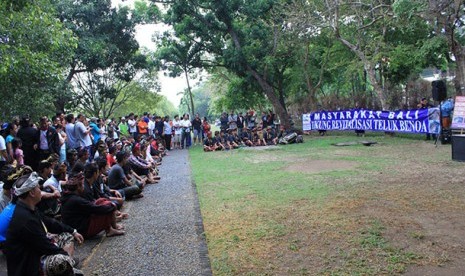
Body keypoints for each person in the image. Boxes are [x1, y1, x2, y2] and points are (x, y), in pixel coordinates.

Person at [4, 172, 84, 276]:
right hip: (28, 267)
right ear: (32, 193)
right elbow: (45, 246)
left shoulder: (29, 208)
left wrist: (73, 231)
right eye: (38, 188)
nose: (40, 191)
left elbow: (50, 223)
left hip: (36, 253)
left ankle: (69, 266)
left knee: (67, 236)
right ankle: (68, 267)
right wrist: (66, 257)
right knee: (61, 260)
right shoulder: (25, 219)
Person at [61, 173, 124, 239]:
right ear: (78, 187)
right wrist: (113, 207)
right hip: (82, 230)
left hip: (81, 222)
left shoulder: (69, 196)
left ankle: (111, 228)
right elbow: (95, 209)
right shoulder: (75, 200)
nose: (83, 186)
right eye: (82, 185)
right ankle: (111, 229)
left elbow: (91, 204)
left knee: (101, 201)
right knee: (108, 206)